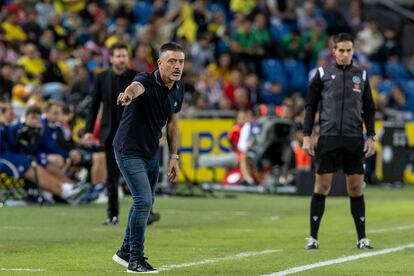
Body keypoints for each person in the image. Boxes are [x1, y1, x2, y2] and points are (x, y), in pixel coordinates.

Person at [111, 42, 184, 273]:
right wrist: (127, 95)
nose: (177, 66)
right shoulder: (145, 80)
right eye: (171, 61)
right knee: (143, 201)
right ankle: (135, 260)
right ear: (160, 63)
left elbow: (173, 124)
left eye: (181, 61)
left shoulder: (179, 88)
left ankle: (124, 252)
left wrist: (174, 156)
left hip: (151, 151)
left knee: (144, 201)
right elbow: (134, 88)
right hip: (128, 148)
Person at [302, 33, 376, 250]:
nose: (345, 54)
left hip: (354, 139)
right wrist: (307, 135)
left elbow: (370, 109)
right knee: (321, 186)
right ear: (333, 51)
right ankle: (313, 238)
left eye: (349, 50)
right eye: (341, 50)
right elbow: (310, 106)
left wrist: (370, 136)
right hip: (329, 138)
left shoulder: (361, 76)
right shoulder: (322, 74)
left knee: (355, 189)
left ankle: (362, 239)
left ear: (353, 51)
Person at [84, 42, 137, 225]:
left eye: (124, 56)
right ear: (111, 58)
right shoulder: (102, 78)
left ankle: (146, 212)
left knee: (138, 174)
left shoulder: (135, 77)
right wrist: (89, 130)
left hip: (132, 133)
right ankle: (112, 215)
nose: (122, 59)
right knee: (112, 176)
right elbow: (94, 105)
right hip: (110, 133)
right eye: (118, 56)